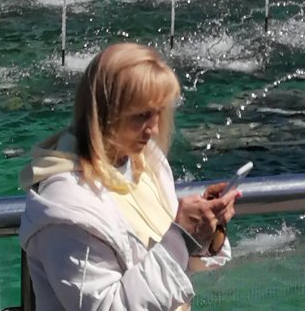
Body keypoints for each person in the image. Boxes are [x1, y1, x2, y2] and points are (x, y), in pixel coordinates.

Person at [19, 42, 239, 310]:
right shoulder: (67, 205)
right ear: (105, 112)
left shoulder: (146, 161)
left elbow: (174, 266)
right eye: (141, 116)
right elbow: (107, 306)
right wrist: (180, 236)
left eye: (159, 112)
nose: (154, 129)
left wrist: (203, 233)